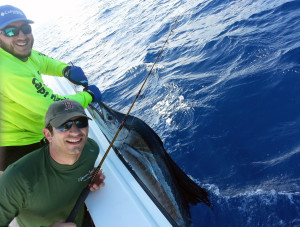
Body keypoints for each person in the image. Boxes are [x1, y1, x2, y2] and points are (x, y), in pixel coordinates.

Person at [0, 5, 103, 171]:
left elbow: (43, 61)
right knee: (86, 155)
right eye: (10, 31)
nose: (21, 36)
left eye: (25, 28)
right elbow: (55, 109)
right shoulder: (8, 72)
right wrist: (88, 96)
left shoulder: (18, 52)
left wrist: (65, 69)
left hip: (35, 132)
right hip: (15, 146)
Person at [0, 99, 105, 227]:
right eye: (64, 125)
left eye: (80, 122)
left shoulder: (91, 150)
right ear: (48, 134)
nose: (75, 131)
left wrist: (90, 176)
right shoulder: (17, 178)